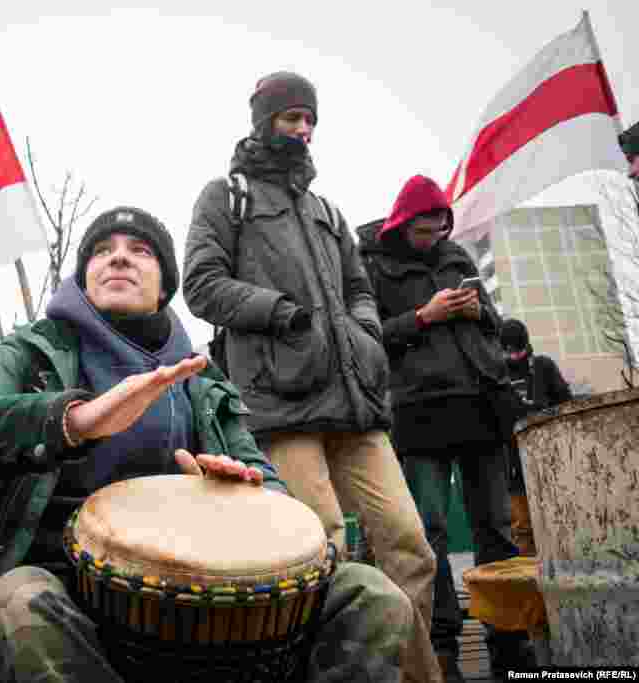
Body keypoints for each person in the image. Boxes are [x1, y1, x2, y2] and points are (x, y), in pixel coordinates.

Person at [0, 206, 425, 683]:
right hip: (67, 598)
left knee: (371, 592)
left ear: (164, 287)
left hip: (204, 610)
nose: (118, 256)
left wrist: (245, 494)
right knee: (16, 601)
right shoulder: (32, 354)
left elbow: (274, 497)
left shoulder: (201, 380)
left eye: (139, 250)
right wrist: (72, 420)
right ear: (83, 276)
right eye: (101, 250)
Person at [181, 71, 439, 682]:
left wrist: (366, 335)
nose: (303, 129)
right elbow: (199, 283)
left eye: (310, 119)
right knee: (321, 547)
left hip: (356, 401)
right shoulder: (226, 196)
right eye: (291, 117)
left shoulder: (327, 209)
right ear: (264, 120)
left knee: (412, 548)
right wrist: (282, 314)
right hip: (280, 402)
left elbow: (358, 288)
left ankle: (414, 676)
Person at [357, 175, 533, 681]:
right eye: (423, 230)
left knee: (496, 527)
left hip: (480, 403)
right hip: (419, 410)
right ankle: (442, 646)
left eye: (440, 228)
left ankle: (510, 640)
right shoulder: (373, 265)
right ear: (401, 223)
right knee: (428, 532)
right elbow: (368, 338)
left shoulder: (457, 256)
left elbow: (495, 327)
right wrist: (422, 315)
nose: (433, 237)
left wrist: (481, 313)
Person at [499, 318, 572, 555]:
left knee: (558, 517)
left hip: (549, 459)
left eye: (517, 350)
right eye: (508, 351)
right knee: (522, 527)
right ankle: (529, 579)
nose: (513, 356)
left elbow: (566, 403)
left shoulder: (543, 367)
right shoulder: (498, 375)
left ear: (526, 345)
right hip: (513, 464)